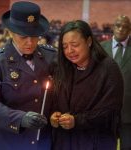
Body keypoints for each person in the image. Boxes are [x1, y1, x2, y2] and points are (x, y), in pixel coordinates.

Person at [0, 1, 56, 150]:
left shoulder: (49, 57)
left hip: (39, 140)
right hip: (3, 141)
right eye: (23, 36)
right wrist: (21, 118)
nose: (30, 42)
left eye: (35, 36)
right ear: (10, 32)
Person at [50, 20, 124, 150]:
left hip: (96, 141)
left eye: (74, 44)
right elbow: (53, 99)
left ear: (89, 42)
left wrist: (77, 121)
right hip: (64, 141)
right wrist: (53, 114)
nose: (69, 51)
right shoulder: (61, 67)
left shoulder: (108, 68)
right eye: (65, 46)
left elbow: (111, 110)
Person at [101, 15, 131, 150]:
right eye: (118, 25)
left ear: (130, 30)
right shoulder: (100, 49)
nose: (121, 29)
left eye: (125, 27)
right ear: (113, 27)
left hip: (128, 114)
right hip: (103, 113)